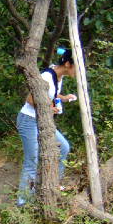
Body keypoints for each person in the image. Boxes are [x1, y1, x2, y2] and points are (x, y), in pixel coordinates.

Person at [17, 48, 77, 206]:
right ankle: (23, 203)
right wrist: (49, 108)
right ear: (68, 64)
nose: (78, 72)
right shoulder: (46, 77)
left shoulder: (59, 76)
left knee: (64, 148)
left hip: (42, 121)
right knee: (32, 160)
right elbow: (30, 99)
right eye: (76, 67)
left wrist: (63, 98)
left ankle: (53, 185)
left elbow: (50, 94)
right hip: (28, 120)